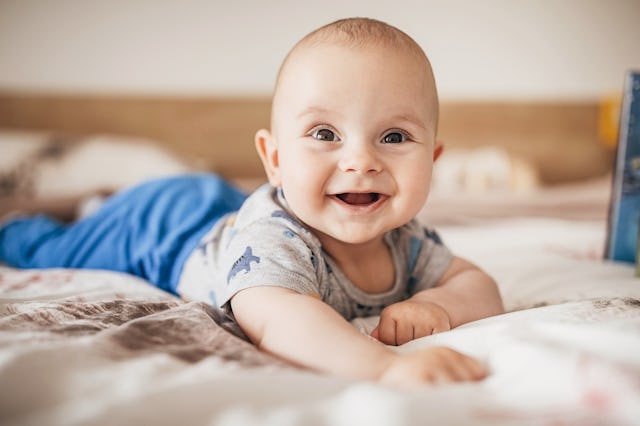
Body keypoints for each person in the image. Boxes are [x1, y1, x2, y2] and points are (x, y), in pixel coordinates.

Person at [0, 17, 504, 385]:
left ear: (433, 160)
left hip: (226, 206)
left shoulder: (407, 240)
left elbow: (475, 282)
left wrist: (437, 302)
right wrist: (387, 367)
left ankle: (92, 205)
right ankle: (30, 218)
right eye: (325, 132)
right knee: (45, 246)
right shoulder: (274, 242)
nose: (361, 161)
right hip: (165, 226)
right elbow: (279, 318)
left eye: (394, 137)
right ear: (275, 158)